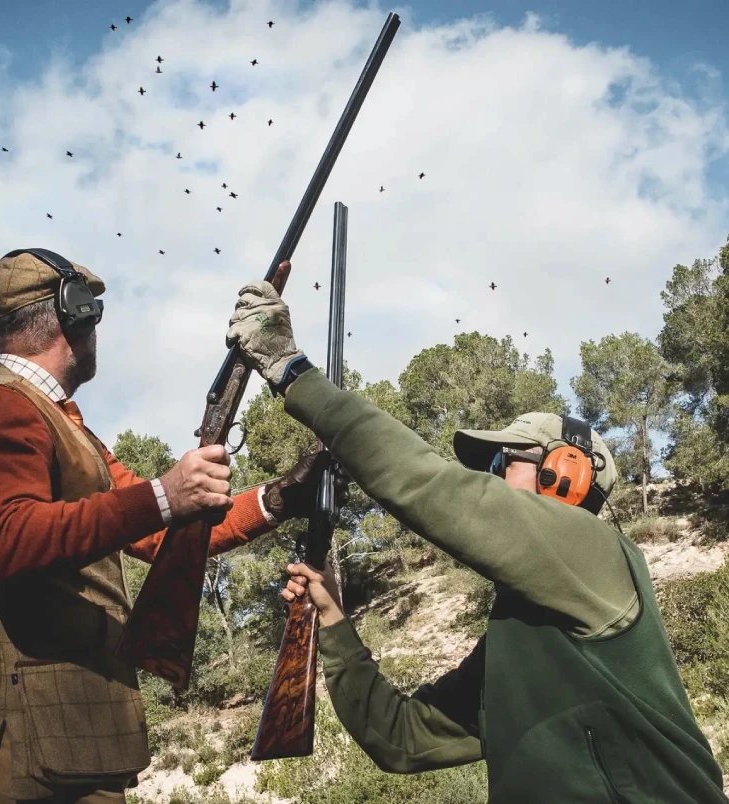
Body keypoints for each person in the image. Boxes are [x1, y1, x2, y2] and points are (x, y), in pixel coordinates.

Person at [225, 270, 729, 803]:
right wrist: (332, 618)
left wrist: (293, 371)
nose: (489, 477)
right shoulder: (519, 640)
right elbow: (401, 737)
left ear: (566, 473)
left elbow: (433, 488)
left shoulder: (596, 551)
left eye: (502, 460)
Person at [0, 250, 337, 804]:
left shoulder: (66, 429)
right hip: (16, 738)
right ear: (74, 314)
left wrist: (281, 497)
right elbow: (8, 541)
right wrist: (165, 494)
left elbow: (170, 535)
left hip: (57, 736)